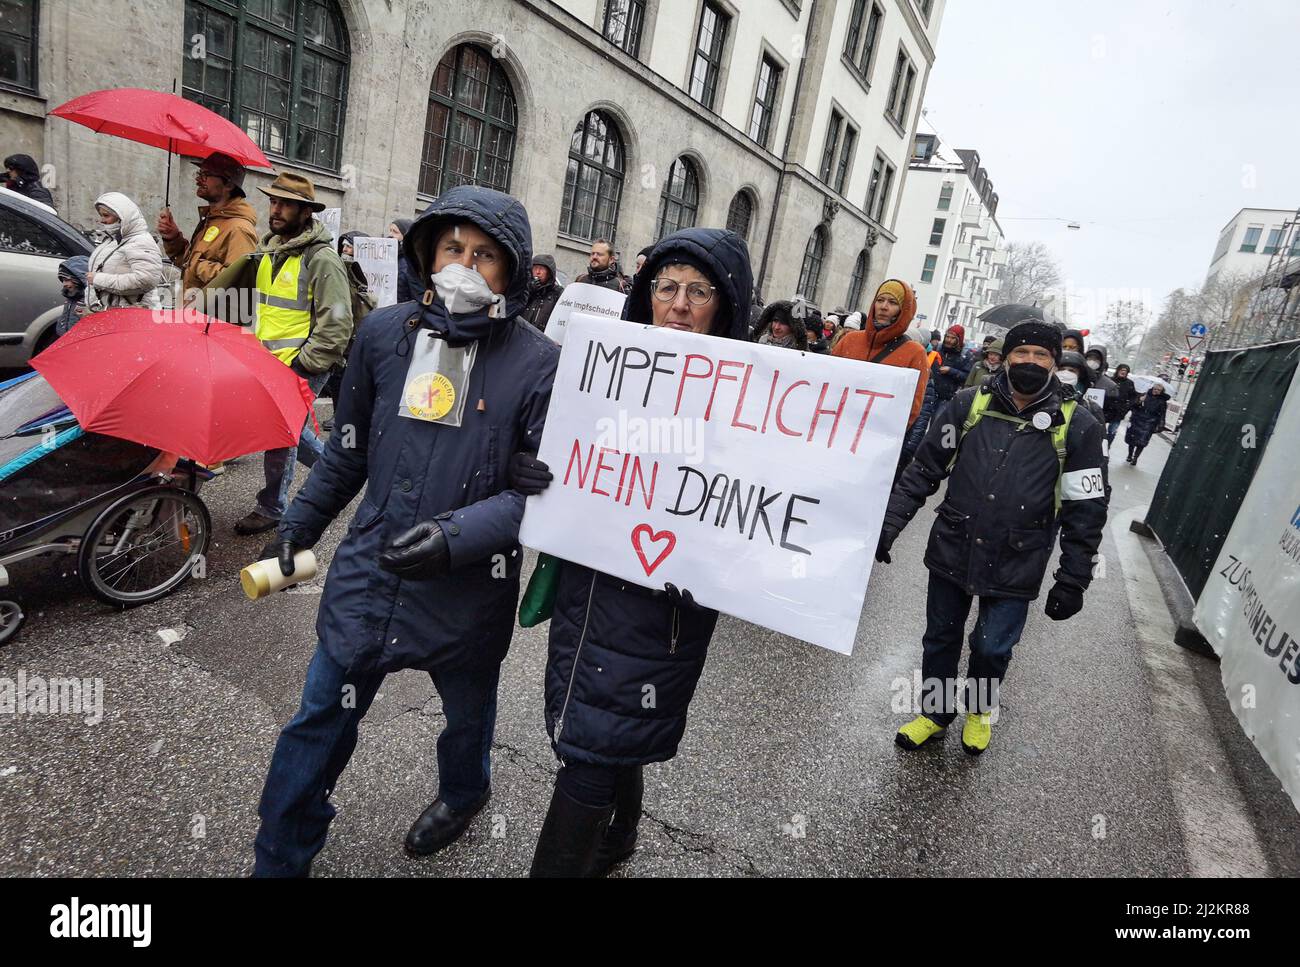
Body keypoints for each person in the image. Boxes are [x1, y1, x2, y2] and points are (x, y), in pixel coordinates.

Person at [252, 185, 559, 877]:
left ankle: (464, 791)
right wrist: (299, 521)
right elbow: (349, 449)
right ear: (429, 252)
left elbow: (539, 496)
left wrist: (457, 536)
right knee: (317, 720)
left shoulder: (538, 362)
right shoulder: (383, 334)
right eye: (453, 248)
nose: (465, 265)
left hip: (469, 587)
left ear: (510, 269)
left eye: (484, 255)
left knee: (466, 713)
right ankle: (281, 853)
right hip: (373, 571)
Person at [512, 227, 753, 878]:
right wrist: (532, 468)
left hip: (661, 610)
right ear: (645, 296)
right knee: (608, 730)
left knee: (591, 748)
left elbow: (750, 516)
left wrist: (710, 563)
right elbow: (570, 458)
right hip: (587, 588)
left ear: (725, 307)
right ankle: (620, 834)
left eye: (698, 291)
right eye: (667, 286)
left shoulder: (748, 408)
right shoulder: (605, 377)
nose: (678, 302)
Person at [877, 318, 1107, 755]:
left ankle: (979, 712)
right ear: (1005, 358)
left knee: (991, 646)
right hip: (953, 543)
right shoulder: (968, 405)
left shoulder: (1078, 426)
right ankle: (936, 712)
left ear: (1055, 363)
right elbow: (924, 470)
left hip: (1019, 557)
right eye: (1022, 353)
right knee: (940, 637)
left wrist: (1073, 579)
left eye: (1042, 355)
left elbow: (1087, 511)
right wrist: (889, 525)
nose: (1030, 362)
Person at [203, 173, 355, 536]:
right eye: (273, 202)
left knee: (280, 436)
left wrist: (305, 364)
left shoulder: (321, 259)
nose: (275, 209)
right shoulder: (270, 252)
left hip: (301, 365)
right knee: (291, 431)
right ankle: (340, 473)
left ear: (305, 212)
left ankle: (272, 507)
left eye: (285, 204)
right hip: (270, 361)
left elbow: (338, 322)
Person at [832, 280, 930, 432]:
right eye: (880, 300)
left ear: (904, 310)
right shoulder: (849, 340)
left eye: (892, 302)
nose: (884, 307)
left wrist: (880, 435)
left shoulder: (915, 354)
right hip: (834, 427)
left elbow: (911, 409)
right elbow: (828, 382)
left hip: (874, 437)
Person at [157, 151, 258, 297]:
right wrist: (172, 238)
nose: (198, 180)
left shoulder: (239, 229)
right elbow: (187, 265)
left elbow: (240, 282)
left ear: (228, 185)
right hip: (191, 312)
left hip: (212, 317)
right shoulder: (211, 221)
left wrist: (197, 264)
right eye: (199, 174)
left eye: (205, 175)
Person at [84, 192, 164, 313]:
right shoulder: (112, 241)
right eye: (101, 215)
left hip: (133, 319)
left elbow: (146, 280)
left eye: (106, 215)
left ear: (121, 216)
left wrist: (98, 279)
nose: (102, 221)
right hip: (111, 315)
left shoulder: (140, 241)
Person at [1084, 346, 1125, 444]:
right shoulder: (1076, 377)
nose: (1092, 361)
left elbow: (1113, 410)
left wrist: (1098, 418)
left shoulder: (1110, 386)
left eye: (1096, 359)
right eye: (1089, 358)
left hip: (1094, 428)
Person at [1124, 383, 1168, 465]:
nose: (1156, 391)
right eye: (1155, 389)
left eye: (1158, 390)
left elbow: (1162, 414)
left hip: (1149, 423)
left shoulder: (1162, 401)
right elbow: (1132, 406)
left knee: (1142, 442)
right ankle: (1130, 455)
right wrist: (1140, 401)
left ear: (1161, 392)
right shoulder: (1144, 395)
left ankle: (1135, 458)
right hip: (1137, 420)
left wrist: (1161, 425)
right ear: (1152, 389)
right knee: (1132, 440)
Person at [929, 324, 973, 404]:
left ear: (959, 340)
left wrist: (951, 371)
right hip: (930, 392)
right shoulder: (937, 349)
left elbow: (967, 377)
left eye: (953, 338)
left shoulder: (965, 355)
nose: (949, 340)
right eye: (947, 337)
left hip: (948, 398)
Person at [522, 254, 564, 331]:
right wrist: (528, 291)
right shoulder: (524, 288)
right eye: (535, 268)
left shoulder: (557, 293)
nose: (537, 272)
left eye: (541, 269)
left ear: (549, 272)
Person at [54, 255, 90, 338]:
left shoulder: (89, 300)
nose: (64, 284)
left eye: (67, 280)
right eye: (62, 280)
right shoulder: (71, 297)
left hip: (79, 341)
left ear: (79, 279)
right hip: (66, 338)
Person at [389, 218, 422, 303]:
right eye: (390, 231)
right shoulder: (389, 259)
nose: (390, 235)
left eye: (395, 232)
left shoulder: (411, 262)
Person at [1111, 363, 1138, 442]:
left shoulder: (1129, 383)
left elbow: (1133, 397)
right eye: (1122, 370)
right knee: (1100, 430)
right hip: (1106, 410)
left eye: (1125, 371)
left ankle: (1107, 447)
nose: (1123, 372)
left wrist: (1126, 406)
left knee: (1112, 432)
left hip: (1118, 412)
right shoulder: (1110, 380)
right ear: (1118, 370)